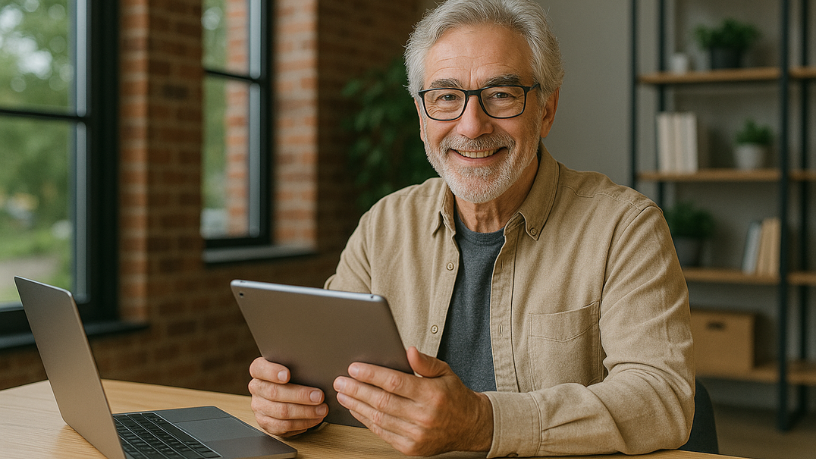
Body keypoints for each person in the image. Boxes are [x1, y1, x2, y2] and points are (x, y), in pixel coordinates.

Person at [248, 0, 695, 457]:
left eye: (500, 95)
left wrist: (483, 423)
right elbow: (330, 372)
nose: (471, 125)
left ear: (545, 109)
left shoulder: (625, 227)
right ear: (422, 118)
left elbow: (662, 399)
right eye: (446, 97)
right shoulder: (383, 225)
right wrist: (291, 400)